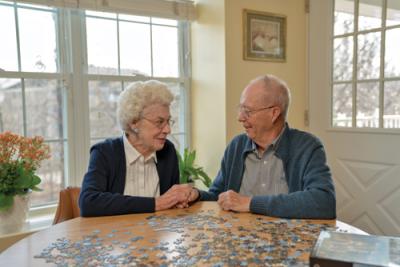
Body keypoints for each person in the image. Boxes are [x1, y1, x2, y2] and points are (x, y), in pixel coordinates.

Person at [188, 74, 336, 219]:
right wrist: (197, 195)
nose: (240, 117)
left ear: (274, 113)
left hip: (289, 239)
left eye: (248, 111)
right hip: (238, 238)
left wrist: (251, 203)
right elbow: (218, 196)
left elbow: (324, 202)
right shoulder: (236, 146)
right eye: (240, 109)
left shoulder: (307, 147)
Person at [79, 80, 192, 216]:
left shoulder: (167, 151)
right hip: (114, 236)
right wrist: (157, 203)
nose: (167, 129)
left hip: (159, 236)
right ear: (134, 123)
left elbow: (170, 204)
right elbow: (88, 203)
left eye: (168, 121)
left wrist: (177, 200)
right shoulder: (104, 153)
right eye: (159, 122)